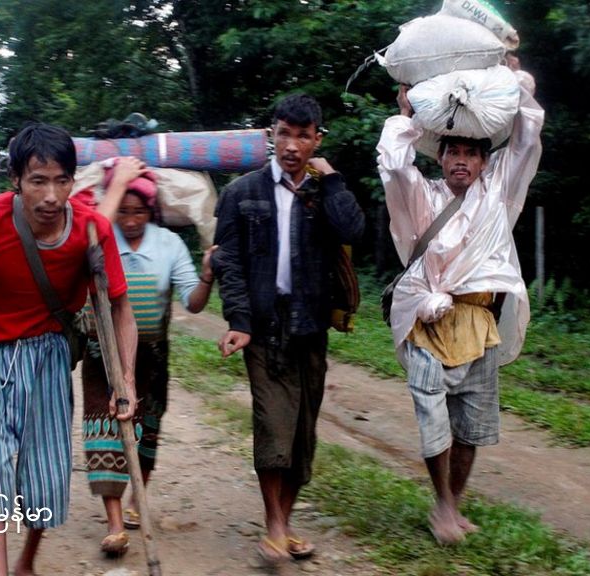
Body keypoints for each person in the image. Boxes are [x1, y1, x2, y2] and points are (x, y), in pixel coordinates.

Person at [0, 122, 138, 576]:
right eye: (38, 181)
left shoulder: (92, 228)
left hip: (47, 358)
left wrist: (126, 380)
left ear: (73, 180)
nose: (50, 196)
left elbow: (119, 306)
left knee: (46, 475)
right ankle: (0, 570)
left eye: (61, 181)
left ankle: (26, 561)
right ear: (16, 180)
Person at [377, 56, 544, 545]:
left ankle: (453, 502)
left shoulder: (498, 196)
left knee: (471, 428)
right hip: (427, 324)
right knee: (433, 422)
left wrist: (515, 83)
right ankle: (443, 504)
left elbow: (526, 139)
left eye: (472, 153)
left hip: (478, 324)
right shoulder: (422, 197)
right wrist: (407, 115)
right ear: (441, 156)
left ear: (485, 161)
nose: (462, 161)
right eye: (453, 151)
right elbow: (394, 163)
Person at [213, 93, 367, 563]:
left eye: (303, 136)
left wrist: (333, 178)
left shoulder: (324, 193)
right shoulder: (241, 193)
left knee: (302, 434)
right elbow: (229, 263)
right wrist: (239, 321)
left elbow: (353, 230)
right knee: (272, 426)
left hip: (311, 328)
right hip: (263, 328)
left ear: (317, 139)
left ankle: (284, 521)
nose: (292, 145)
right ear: (271, 135)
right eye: (284, 134)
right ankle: (275, 526)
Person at [79, 156, 215, 556]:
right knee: (104, 429)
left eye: (138, 211)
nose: (131, 220)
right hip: (102, 352)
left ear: (151, 210)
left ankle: (137, 499)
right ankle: (115, 524)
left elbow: (192, 302)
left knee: (146, 431)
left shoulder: (168, 245)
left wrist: (208, 276)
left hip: (152, 355)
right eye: (123, 210)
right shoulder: (99, 238)